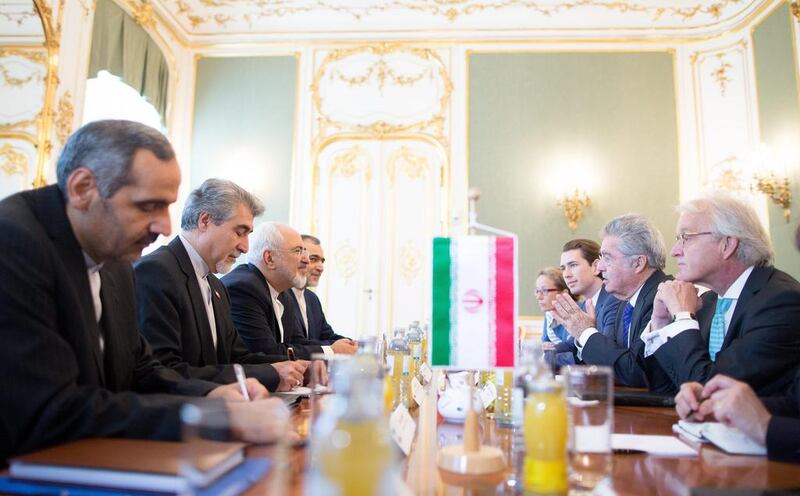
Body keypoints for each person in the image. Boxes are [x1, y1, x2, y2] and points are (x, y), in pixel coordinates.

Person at [0, 120, 289, 462]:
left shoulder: (118, 260)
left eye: (166, 206)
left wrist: (213, 395)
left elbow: (142, 370)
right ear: (82, 189)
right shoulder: (14, 241)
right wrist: (213, 419)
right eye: (147, 206)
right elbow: (51, 410)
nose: (165, 227)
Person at [134, 179, 307, 392]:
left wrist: (297, 366)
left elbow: (236, 357)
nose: (245, 247)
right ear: (205, 221)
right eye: (240, 232)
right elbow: (165, 371)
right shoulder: (156, 272)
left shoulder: (216, 286)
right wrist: (270, 373)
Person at [644, 193, 800, 395]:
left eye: (686, 238)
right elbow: (662, 387)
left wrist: (682, 317)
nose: (675, 251)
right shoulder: (708, 302)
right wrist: (661, 322)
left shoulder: (781, 303)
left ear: (727, 245)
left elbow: (709, 390)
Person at [552, 214, 671, 390]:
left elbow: (635, 372)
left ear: (638, 263)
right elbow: (614, 357)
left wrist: (585, 332)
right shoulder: (623, 301)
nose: (599, 267)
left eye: (607, 258)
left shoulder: (661, 298)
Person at [223, 222, 355, 359]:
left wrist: (344, 346)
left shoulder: (283, 293)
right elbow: (265, 352)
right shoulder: (244, 288)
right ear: (269, 258)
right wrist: (331, 351)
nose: (306, 260)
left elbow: (296, 342)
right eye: (298, 251)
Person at [287, 235, 354, 348]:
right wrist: (336, 347)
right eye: (313, 259)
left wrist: (353, 343)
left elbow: (327, 335)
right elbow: (297, 343)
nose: (321, 267)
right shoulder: (282, 295)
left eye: (322, 261)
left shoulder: (312, 298)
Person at [559, 238, 620, 334]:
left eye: (573, 265)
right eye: (563, 268)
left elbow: (607, 347)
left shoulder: (614, 301)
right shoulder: (581, 307)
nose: (566, 274)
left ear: (596, 267)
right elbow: (572, 345)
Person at [536, 267, 577, 368]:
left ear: (564, 293)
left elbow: (575, 357)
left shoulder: (578, 313)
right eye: (537, 291)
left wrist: (546, 356)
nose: (538, 297)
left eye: (544, 291)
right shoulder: (549, 313)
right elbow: (545, 345)